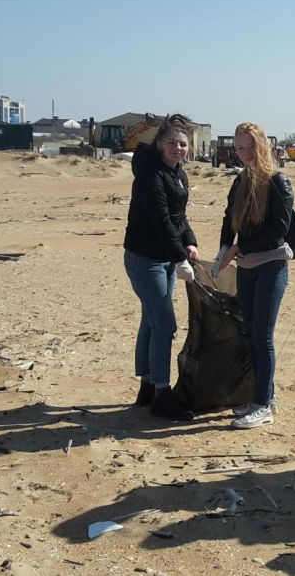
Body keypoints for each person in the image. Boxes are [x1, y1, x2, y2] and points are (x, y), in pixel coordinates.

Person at [211, 122, 293, 429]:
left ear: (263, 146)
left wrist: (238, 248)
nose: (246, 153)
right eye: (240, 148)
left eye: (251, 147)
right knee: (251, 335)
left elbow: (278, 231)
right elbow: (228, 218)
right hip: (245, 268)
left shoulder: (278, 182)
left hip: (271, 266)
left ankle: (263, 406)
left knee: (262, 337)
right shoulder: (240, 181)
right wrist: (223, 250)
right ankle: (263, 397)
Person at [123, 114, 198, 422]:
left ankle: (147, 387)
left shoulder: (178, 173)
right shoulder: (150, 173)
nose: (177, 149)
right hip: (144, 259)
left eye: (182, 144)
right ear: (158, 144)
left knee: (151, 321)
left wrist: (189, 241)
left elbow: (178, 216)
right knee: (165, 325)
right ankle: (162, 396)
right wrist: (180, 257)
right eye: (171, 143)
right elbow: (160, 219)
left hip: (165, 256)